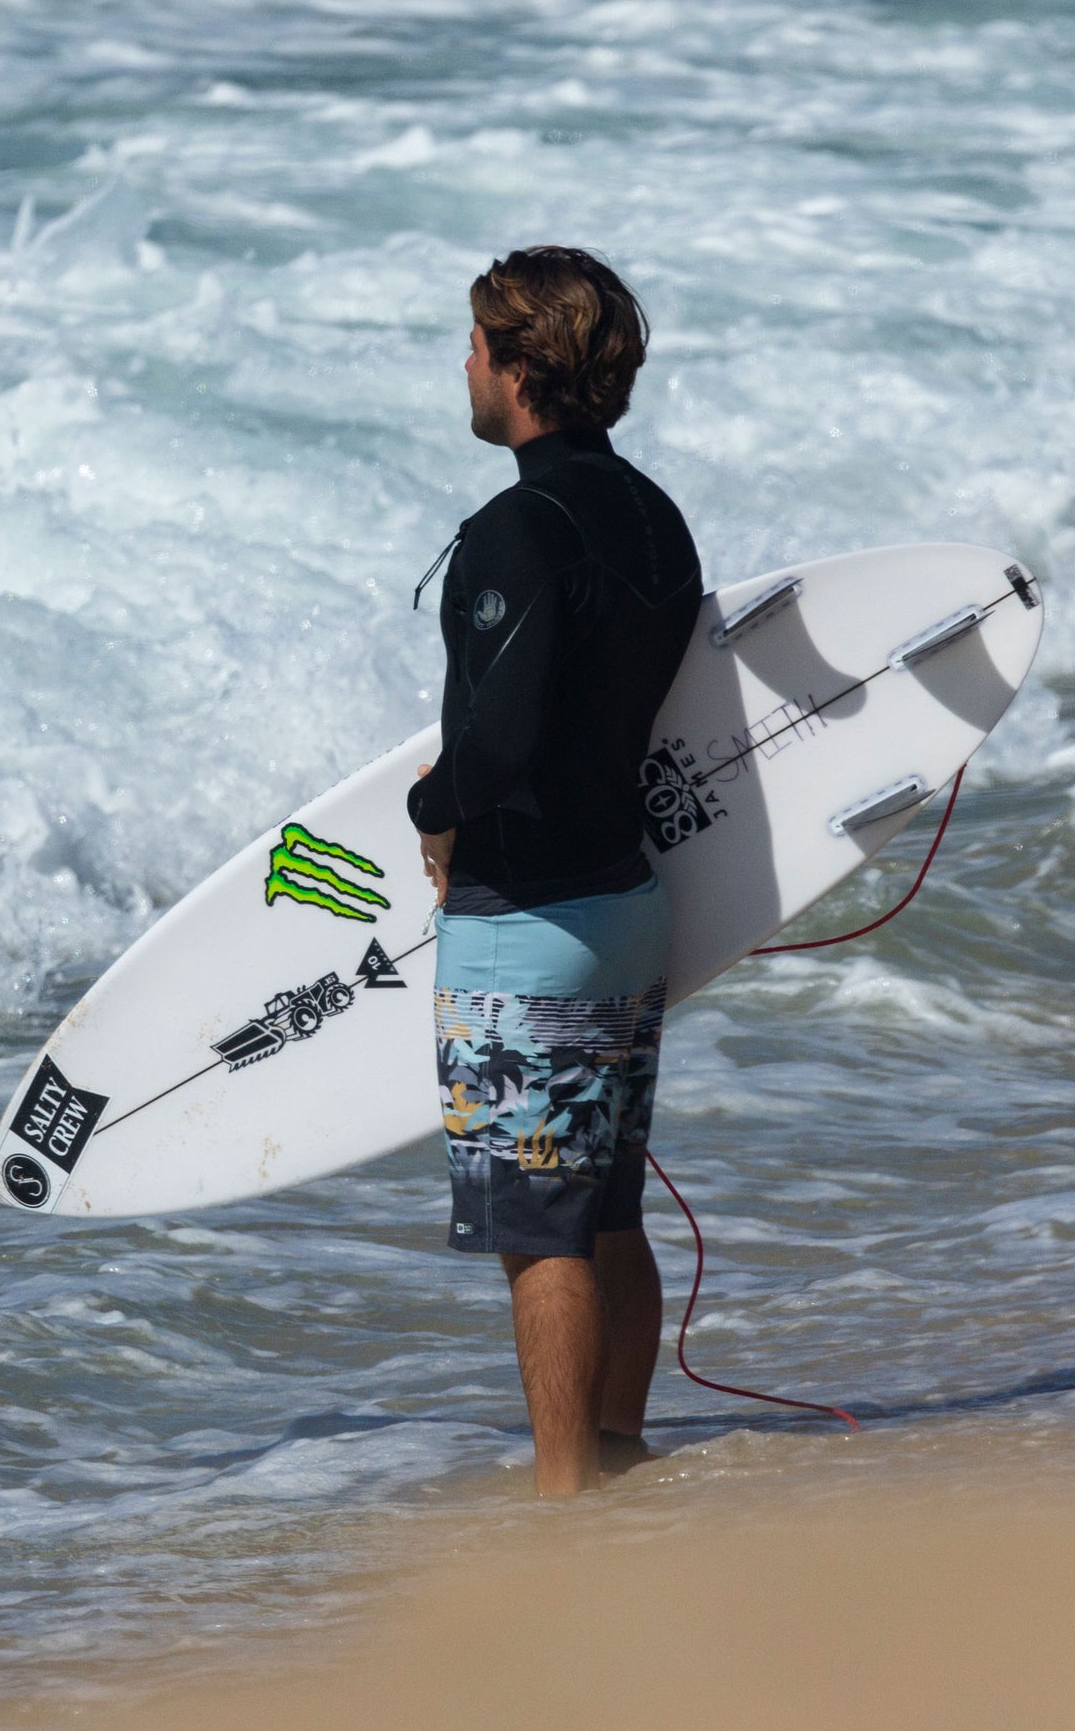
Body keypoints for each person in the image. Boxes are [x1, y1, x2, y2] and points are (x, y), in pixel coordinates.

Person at [407, 246, 702, 1497]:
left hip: (527, 925)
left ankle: (562, 1500)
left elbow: (503, 738)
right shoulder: (651, 515)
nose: (463, 364)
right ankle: (621, 1452)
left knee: (539, 1235)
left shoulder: (517, 530)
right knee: (606, 1204)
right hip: (628, 903)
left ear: (520, 368)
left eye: (477, 343)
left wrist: (432, 805)